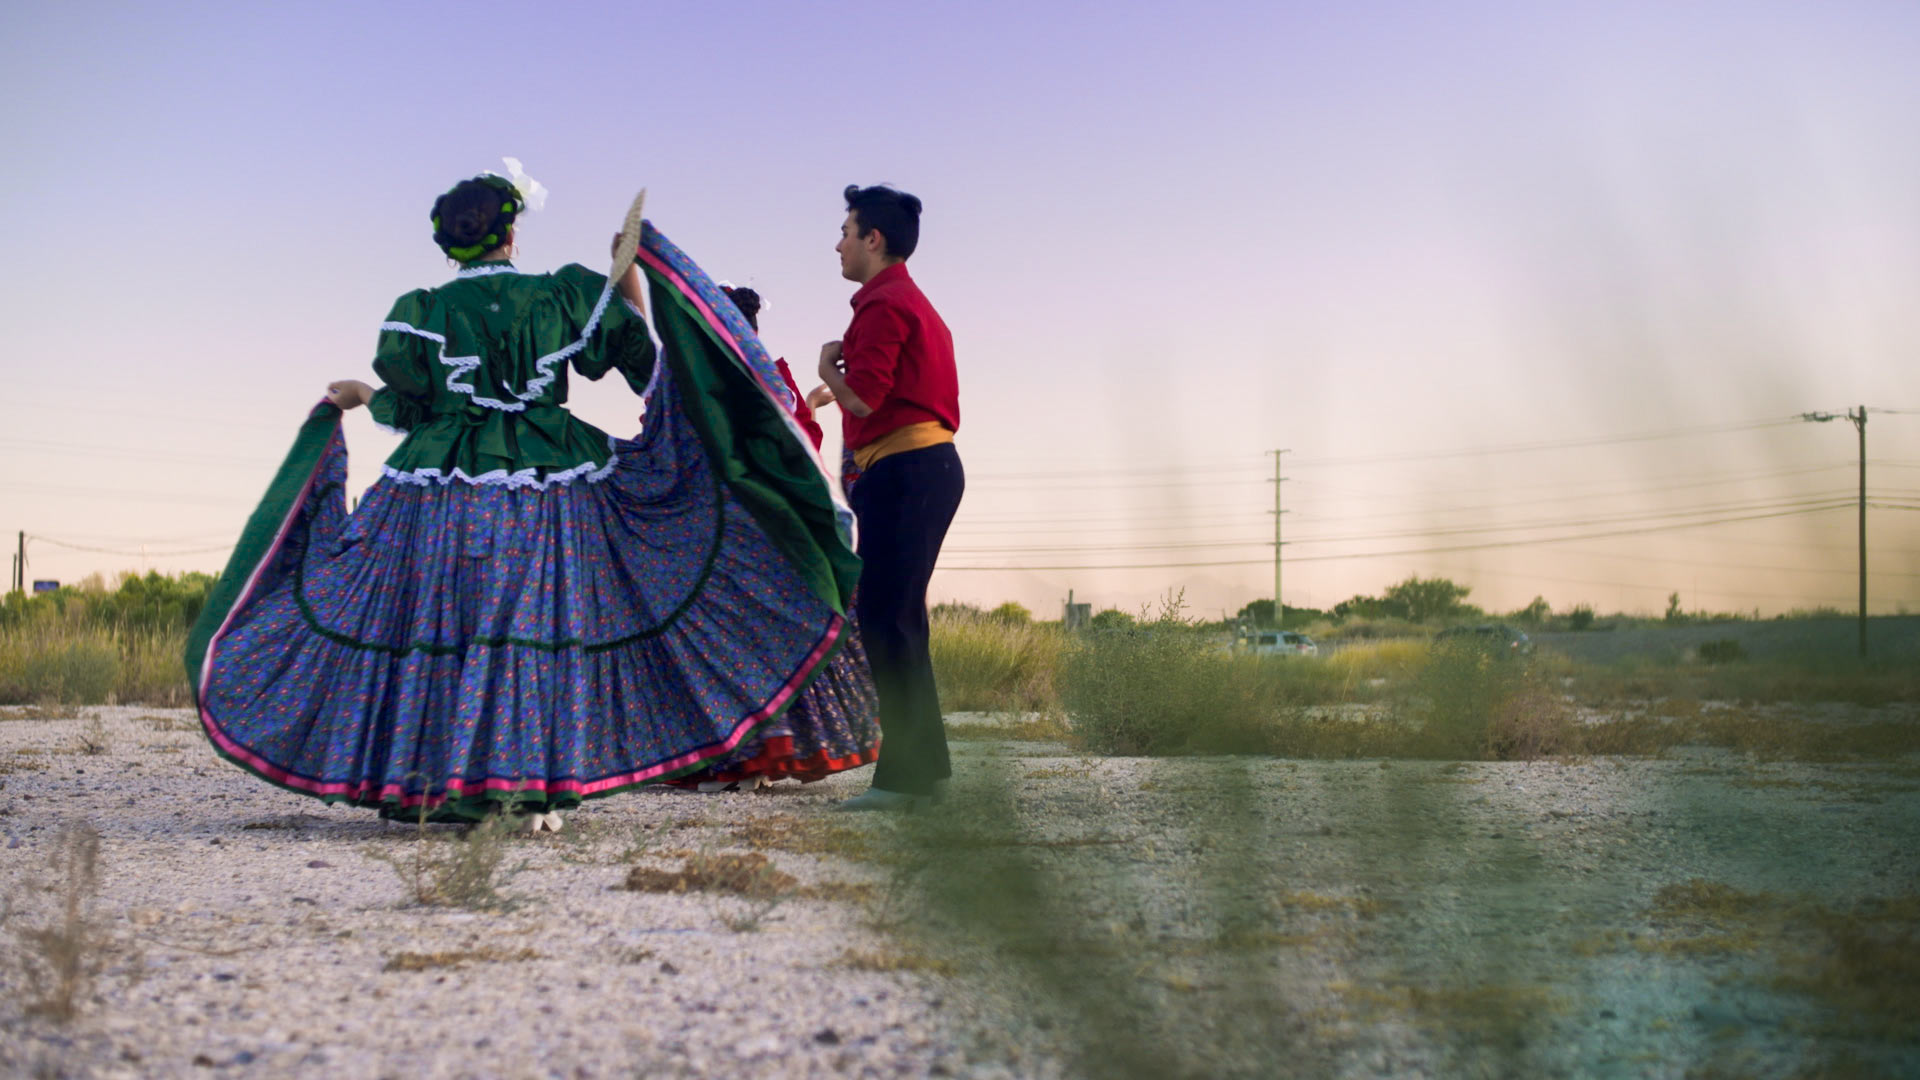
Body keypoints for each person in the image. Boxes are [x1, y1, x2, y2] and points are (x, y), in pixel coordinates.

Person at [185, 164, 867, 829]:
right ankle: (534, 785)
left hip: (434, 487)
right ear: (511, 232)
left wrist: (363, 397)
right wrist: (691, 361)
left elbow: (421, 409)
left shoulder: (420, 313)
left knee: (437, 624)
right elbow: (649, 373)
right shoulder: (560, 296)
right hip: (551, 481)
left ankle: (439, 780)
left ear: (449, 243)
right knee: (537, 628)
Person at [662, 286, 880, 792]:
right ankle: (756, 758)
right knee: (766, 640)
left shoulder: (704, 378)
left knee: (737, 643)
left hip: (734, 530)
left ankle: (739, 759)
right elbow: (801, 446)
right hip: (766, 526)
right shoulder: (766, 377)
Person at [812, 184, 963, 812]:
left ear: (873, 239)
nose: (838, 243)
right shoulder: (904, 301)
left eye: (846, 230)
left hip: (907, 471)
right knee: (900, 622)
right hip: (918, 469)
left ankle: (905, 781)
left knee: (886, 621)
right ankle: (922, 770)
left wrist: (827, 371)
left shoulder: (883, 304)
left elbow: (867, 400)